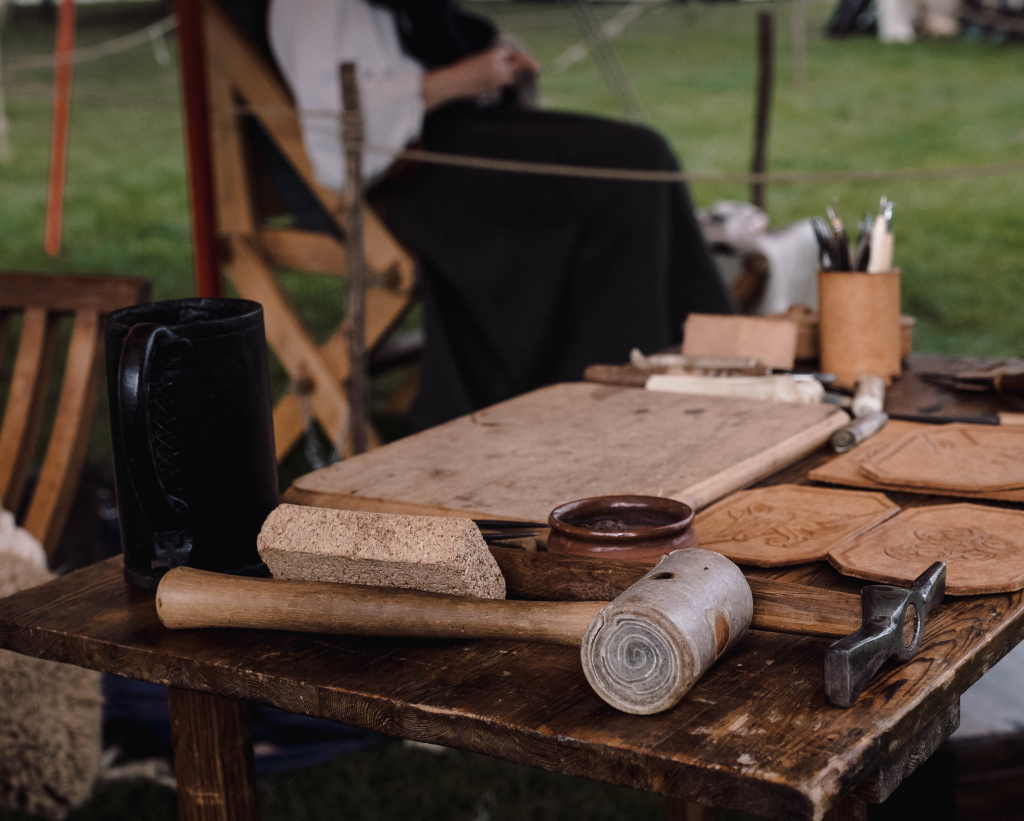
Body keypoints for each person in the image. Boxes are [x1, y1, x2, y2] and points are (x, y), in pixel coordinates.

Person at [268, 0, 734, 430]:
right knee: (615, 174)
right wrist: (458, 79)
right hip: (393, 180)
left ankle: (708, 365)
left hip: (446, 140)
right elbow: (339, 127)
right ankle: (605, 402)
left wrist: (494, 71)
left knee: (640, 152)